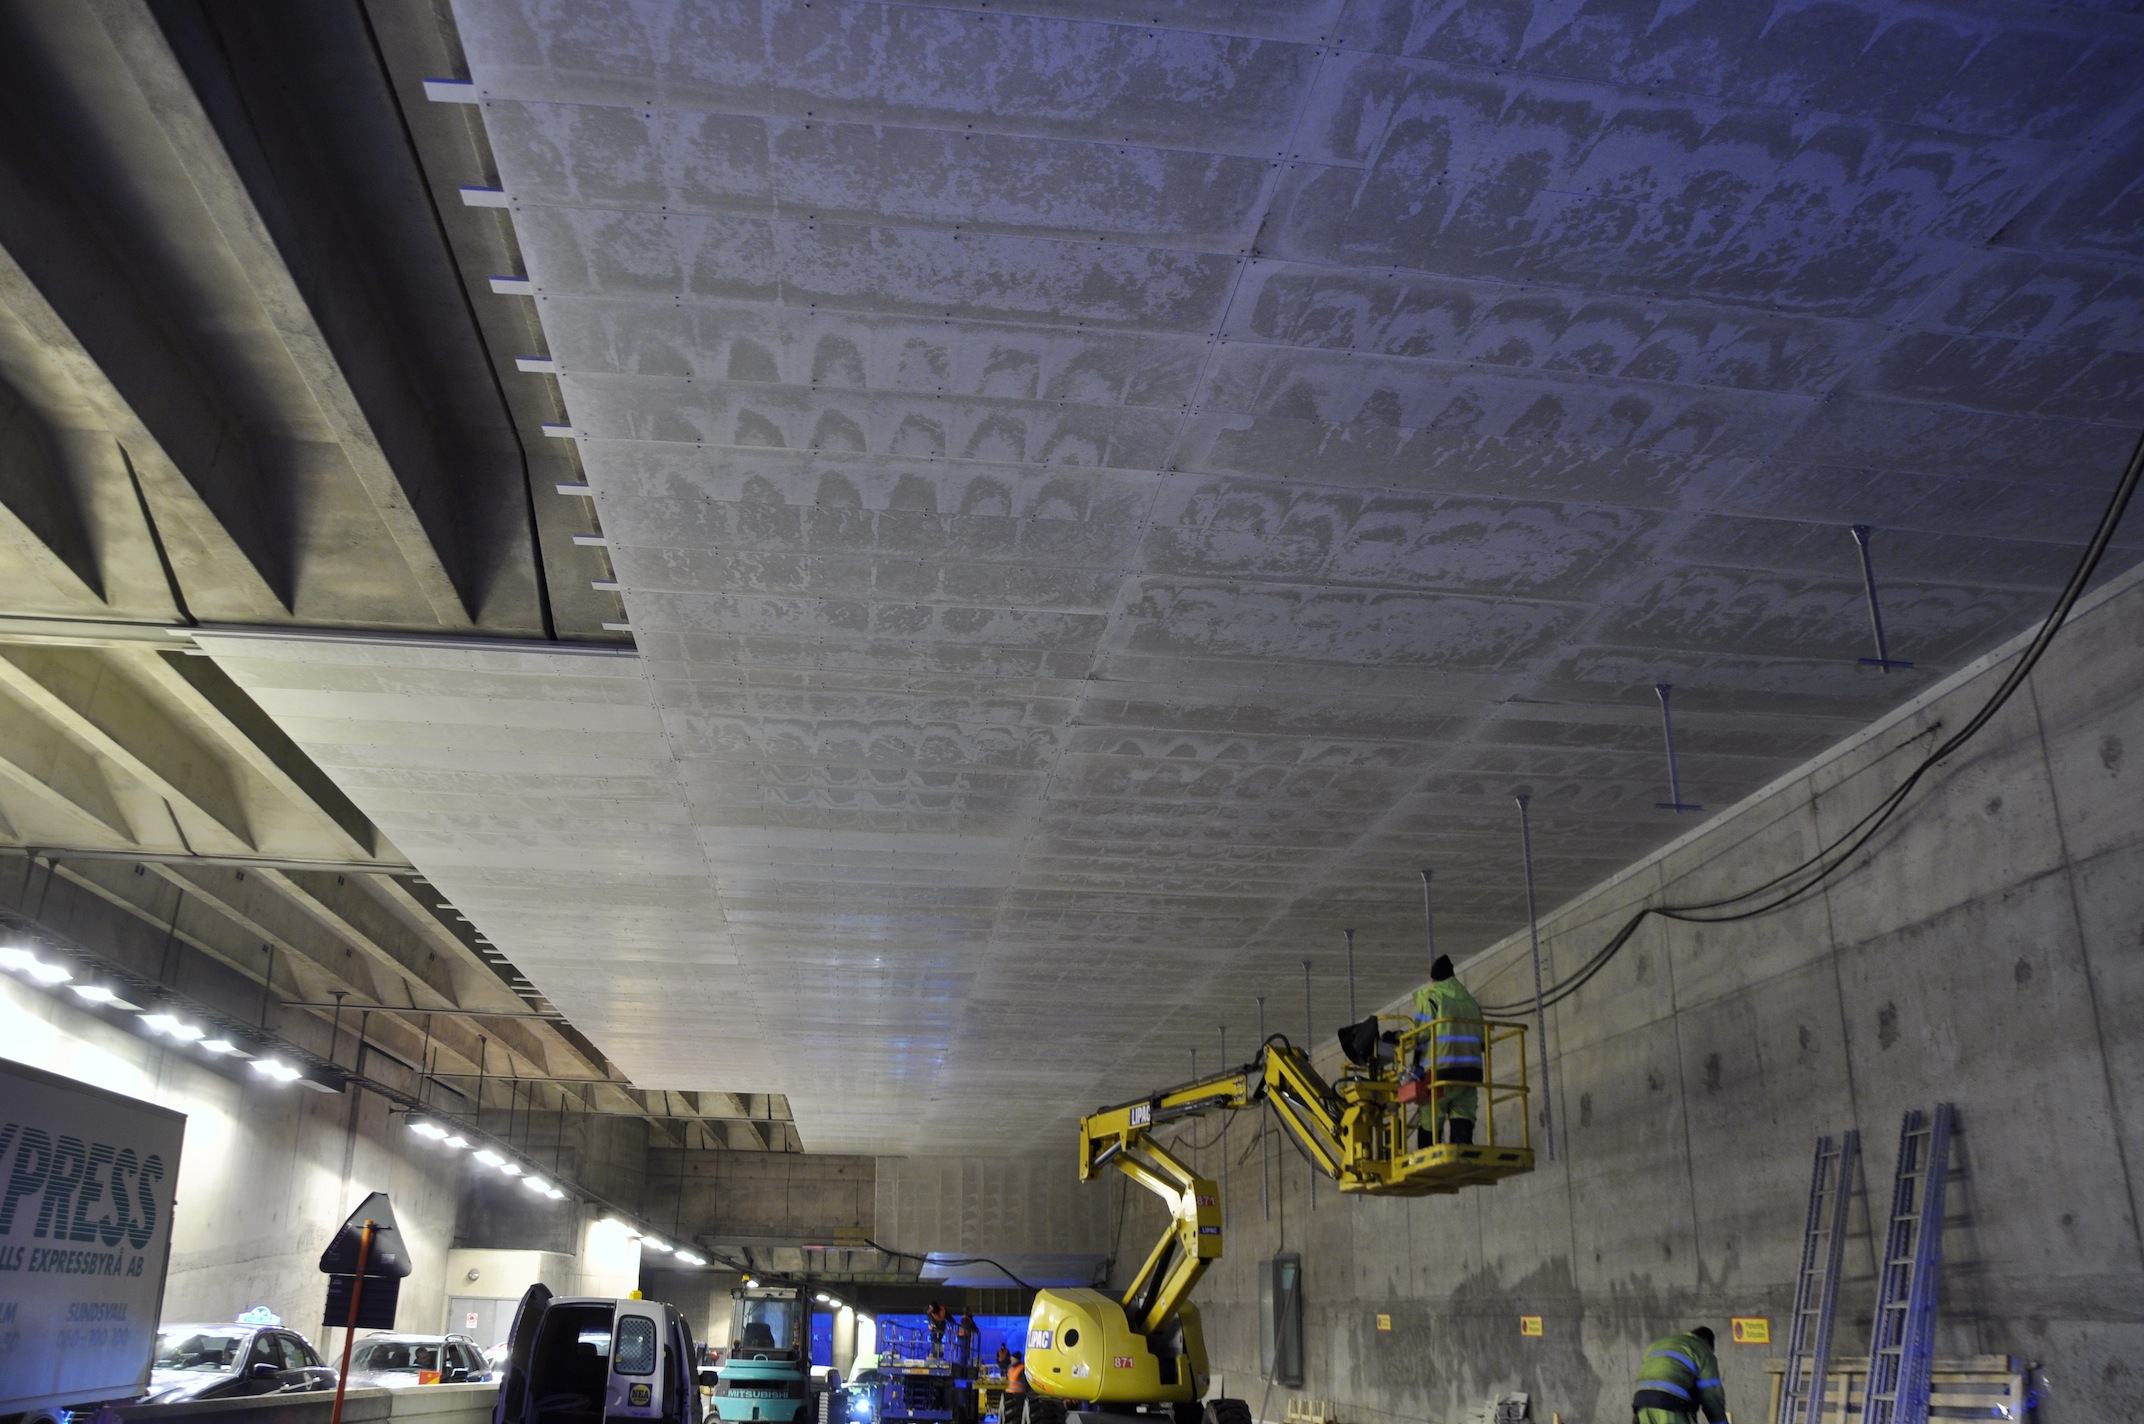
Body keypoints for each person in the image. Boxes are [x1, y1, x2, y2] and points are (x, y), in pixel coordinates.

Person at [1412, 953, 1484, 1148]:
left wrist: (1402, 1039)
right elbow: (1482, 1040)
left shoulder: (1432, 996)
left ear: (1434, 978)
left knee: (1431, 1116)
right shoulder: (1470, 1002)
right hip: (1470, 1074)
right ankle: (1462, 1154)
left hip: (1440, 1073)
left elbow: (1421, 1034)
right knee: (1463, 1112)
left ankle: (1428, 1157)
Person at [1632, 1326, 1728, 1424]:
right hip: (1671, 1404)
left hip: (1641, 1402)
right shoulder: (1703, 1350)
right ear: (1707, 1343)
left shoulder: (1658, 1344)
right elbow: (1712, 1397)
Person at [1003, 1351, 1028, 1424]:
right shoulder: (1011, 1368)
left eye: (1013, 1358)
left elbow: (1025, 1383)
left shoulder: (1021, 1368)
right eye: (1011, 1358)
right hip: (1010, 1395)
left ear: (1017, 1359)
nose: (1012, 1360)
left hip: (1019, 1396)